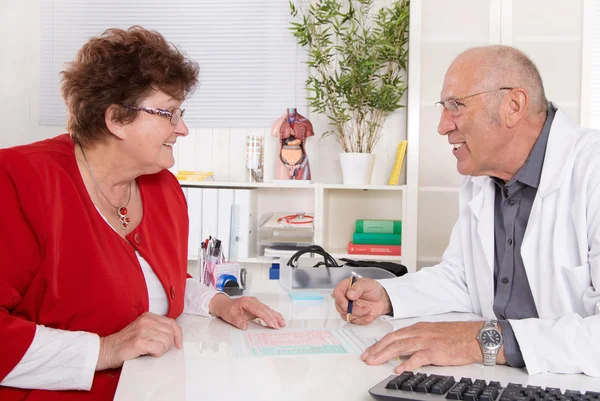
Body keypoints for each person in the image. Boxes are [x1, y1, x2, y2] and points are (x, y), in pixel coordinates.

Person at [0, 26, 285, 401]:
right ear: (116, 118)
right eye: (169, 113)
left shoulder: (163, 187)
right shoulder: (19, 181)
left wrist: (220, 303)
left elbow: (160, 278)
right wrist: (104, 349)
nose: (182, 128)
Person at [333, 45, 600, 377]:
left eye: (455, 106)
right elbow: (462, 278)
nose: (442, 127)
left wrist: (482, 341)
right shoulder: (482, 180)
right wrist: (388, 296)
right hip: (498, 377)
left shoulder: (592, 171)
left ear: (513, 106)